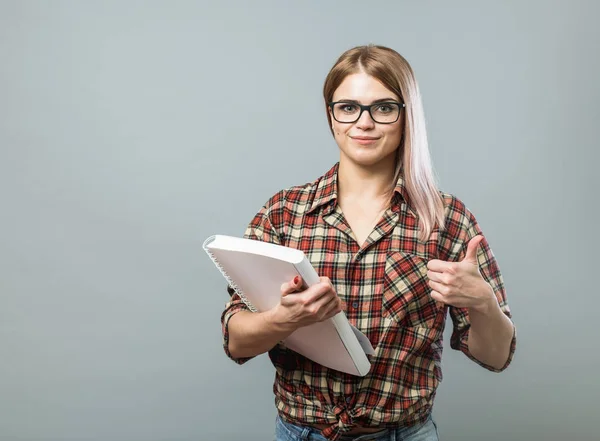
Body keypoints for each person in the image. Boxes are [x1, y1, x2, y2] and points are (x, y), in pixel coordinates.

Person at [220, 44, 516, 441]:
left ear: (406, 115)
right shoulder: (283, 213)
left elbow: (496, 357)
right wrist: (283, 320)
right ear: (331, 114)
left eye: (383, 108)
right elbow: (236, 343)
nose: (364, 123)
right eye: (348, 107)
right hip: (301, 433)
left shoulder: (447, 220)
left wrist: (482, 303)